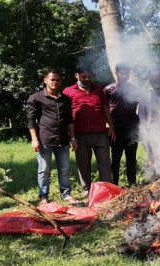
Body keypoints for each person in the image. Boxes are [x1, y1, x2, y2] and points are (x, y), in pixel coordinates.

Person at [27, 70, 78, 204]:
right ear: (45, 80)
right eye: (52, 79)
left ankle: (66, 194)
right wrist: (34, 139)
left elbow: (69, 120)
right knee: (44, 170)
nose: (55, 82)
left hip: (63, 140)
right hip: (45, 140)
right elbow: (31, 120)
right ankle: (43, 196)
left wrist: (73, 138)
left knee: (65, 170)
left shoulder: (66, 100)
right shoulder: (36, 98)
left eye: (58, 80)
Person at [63, 65, 115, 196]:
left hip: (100, 132)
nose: (87, 79)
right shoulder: (68, 91)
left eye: (89, 77)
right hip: (80, 134)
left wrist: (111, 127)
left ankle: (107, 190)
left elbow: (104, 108)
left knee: (105, 163)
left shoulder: (97, 89)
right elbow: (66, 116)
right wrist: (71, 136)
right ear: (76, 75)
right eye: (83, 76)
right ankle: (87, 191)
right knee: (83, 164)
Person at [103, 63, 139, 187]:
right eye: (122, 73)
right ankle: (114, 184)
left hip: (132, 127)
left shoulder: (135, 89)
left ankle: (132, 183)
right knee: (116, 157)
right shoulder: (108, 89)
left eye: (127, 73)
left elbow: (142, 104)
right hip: (116, 128)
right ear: (116, 73)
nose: (124, 75)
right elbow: (104, 109)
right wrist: (109, 126)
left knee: (131, 157)